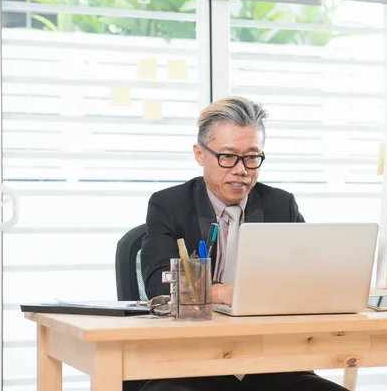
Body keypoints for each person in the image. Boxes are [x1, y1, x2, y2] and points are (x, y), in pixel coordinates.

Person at [139, 96, 349, 391]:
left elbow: (307, 279)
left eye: (252, 157)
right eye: (228, 157)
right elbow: (159, 288)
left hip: (268, 362)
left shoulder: (280, 205)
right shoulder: (169, 204)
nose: (242, 170)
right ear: (200, 154)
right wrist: (225, 293)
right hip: (189, 364)